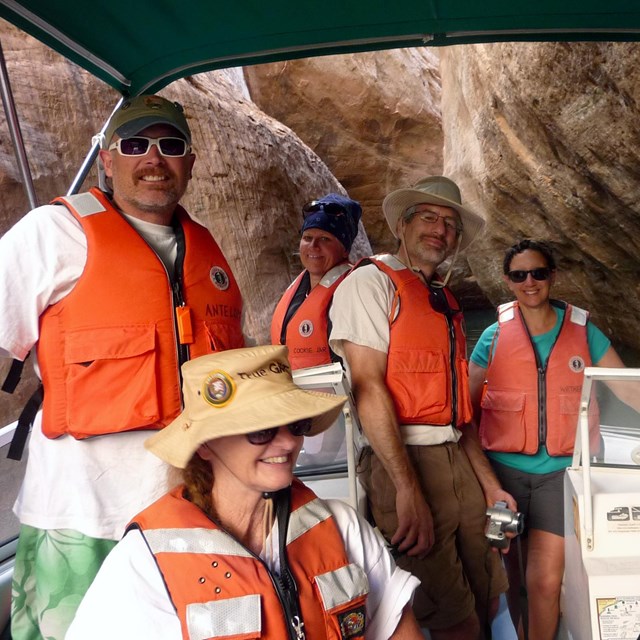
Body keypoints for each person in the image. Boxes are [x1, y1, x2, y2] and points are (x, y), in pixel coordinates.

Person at [0, 94, 244, 640]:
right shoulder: (52, 233)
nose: (153, 159)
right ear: (108, 160)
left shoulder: (208, 251)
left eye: (170, 146)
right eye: (135, 145)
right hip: (82, 521)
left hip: (191, 510)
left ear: (190, 162)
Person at [65, 345, 423, 640]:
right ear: (204, 446)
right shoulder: (146, 562)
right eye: (262, 430)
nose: (288, 442)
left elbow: (399, 629)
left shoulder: (340, 525)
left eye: (296, 425)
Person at [329, 176, 513, 639]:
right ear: (403, 225)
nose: (441, 230)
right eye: (429, 217)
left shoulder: (444, 301)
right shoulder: (370, 285)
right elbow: (369, 388)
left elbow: (458, 414)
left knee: (489, 592)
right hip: (404, 463)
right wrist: (406, 488)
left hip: (458, 462)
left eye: (451, 224)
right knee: (453, 619)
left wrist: (491, 487)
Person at [468, 238, 640, 640]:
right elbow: (467, 410)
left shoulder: (585, 333)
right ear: (509, 282)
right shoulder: (492, 336)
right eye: (519, 275)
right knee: (515, 581)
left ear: (552, 277)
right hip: (504, 475)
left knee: (544, 581)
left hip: (560, 477)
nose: (530, 282)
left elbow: (627, 390)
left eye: (539, 273)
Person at [271, 193, 362, 370]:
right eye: (307, 238)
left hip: (337, 395)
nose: (313, 246)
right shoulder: (299, 287)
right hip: (292, 391)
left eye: (324, 239)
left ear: (344, 249)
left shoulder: (354, 290)